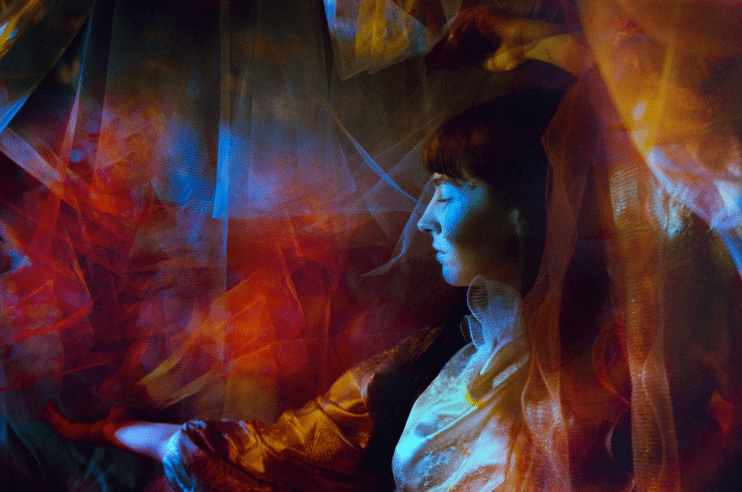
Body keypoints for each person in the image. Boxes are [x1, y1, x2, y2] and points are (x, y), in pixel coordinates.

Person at [46, 88, 596, 491]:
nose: (425, 220)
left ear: (530, 204)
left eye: (448, 193)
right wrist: (118, 431)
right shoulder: (440, 357)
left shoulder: (610, 382)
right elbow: (272, 451)